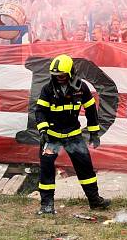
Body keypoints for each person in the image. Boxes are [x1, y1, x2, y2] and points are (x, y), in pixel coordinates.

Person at [34, 54, 110, 215]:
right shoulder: (47, 89)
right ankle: (46, 205)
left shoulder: (81, 88)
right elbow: (40, 111)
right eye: (55, 76)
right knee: (46, 168)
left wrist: (94, 134)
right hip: (52, 135)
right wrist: (43, 130)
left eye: (61, 75)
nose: (58, 78)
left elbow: (91, 111)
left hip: (73, 134)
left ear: (70, 73)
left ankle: (95, 201)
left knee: (85, 167)